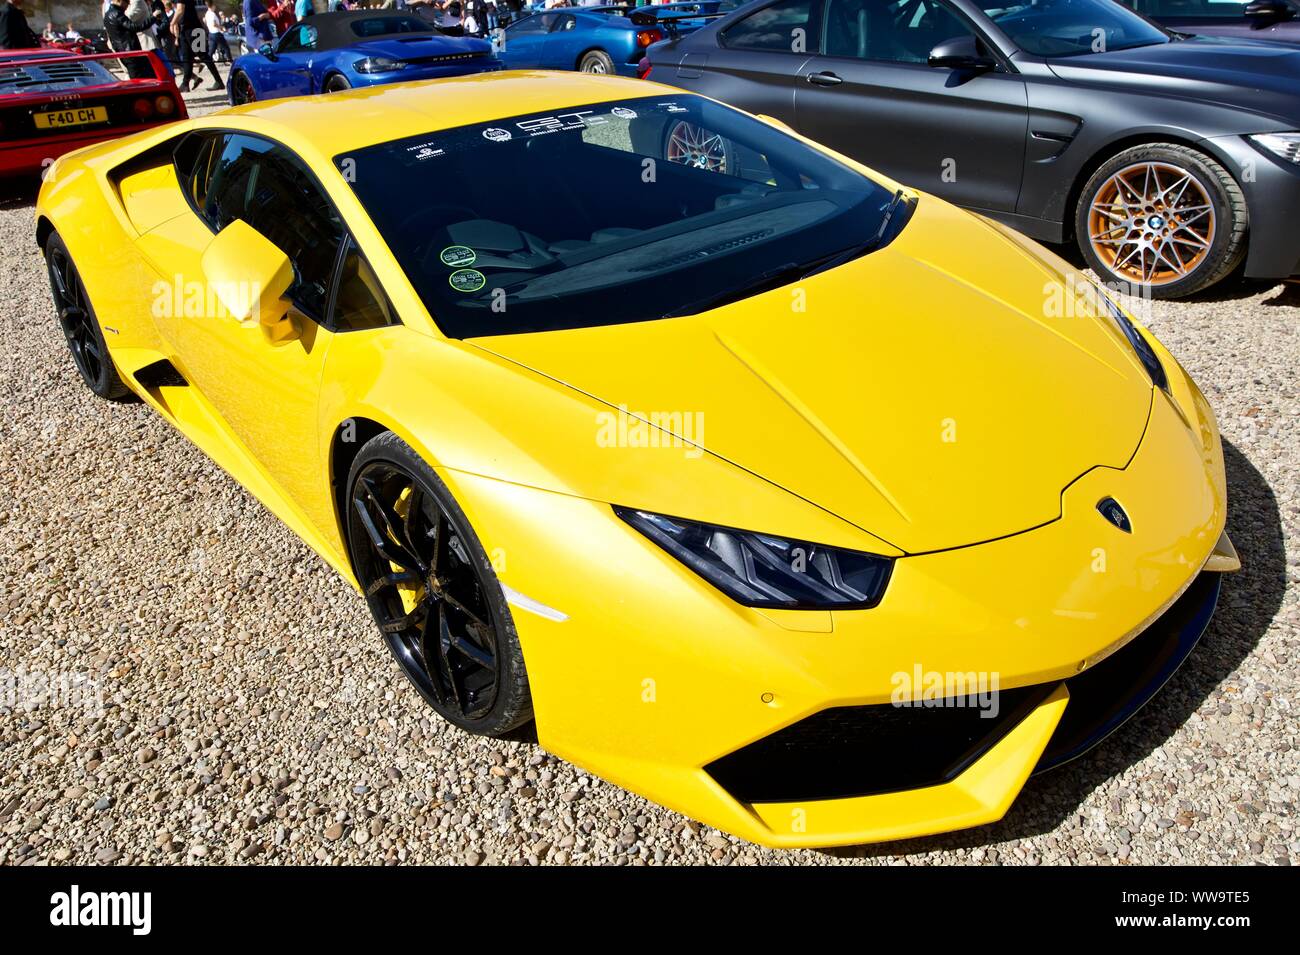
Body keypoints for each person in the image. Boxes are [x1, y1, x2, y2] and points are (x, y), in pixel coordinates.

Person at [171, 0, 223, 91]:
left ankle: (219, 81)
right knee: (186, 57)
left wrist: (172, 23)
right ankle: (185, 83)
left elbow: (180, 10)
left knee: (203, 56)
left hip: (194, 29)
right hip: (185, 29)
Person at [104, 0, 157, 78]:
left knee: (139, 76)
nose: (128, 4)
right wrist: (153, 18)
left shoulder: (108, 14)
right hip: (130, 52)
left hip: (122, 51)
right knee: (139, 78)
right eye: (127, 2)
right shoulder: (117, 14)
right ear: (120, 1)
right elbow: (135, 27)